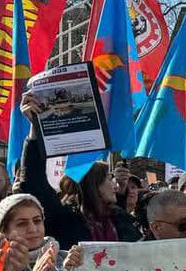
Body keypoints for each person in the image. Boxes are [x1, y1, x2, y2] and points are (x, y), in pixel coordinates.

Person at [15, 97, 141, 247]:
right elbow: (34, 182)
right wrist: (36, 127)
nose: (114, 185)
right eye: (109, 179)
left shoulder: (120, 219)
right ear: (93, 185)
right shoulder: (65, 221)